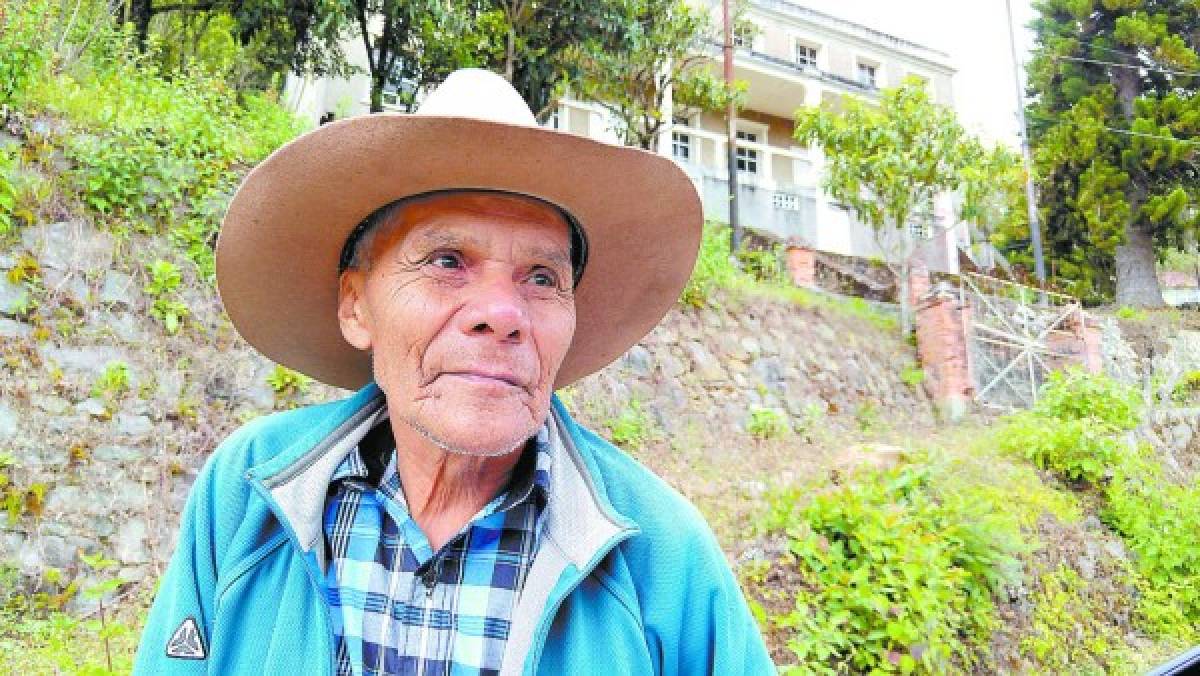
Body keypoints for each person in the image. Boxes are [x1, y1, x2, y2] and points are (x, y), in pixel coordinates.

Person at [134, 68, 774, 675]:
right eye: (446, 261)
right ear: (357, 307)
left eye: (542, 278)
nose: (501, 314)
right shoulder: (247, 495)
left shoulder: (662, 556)